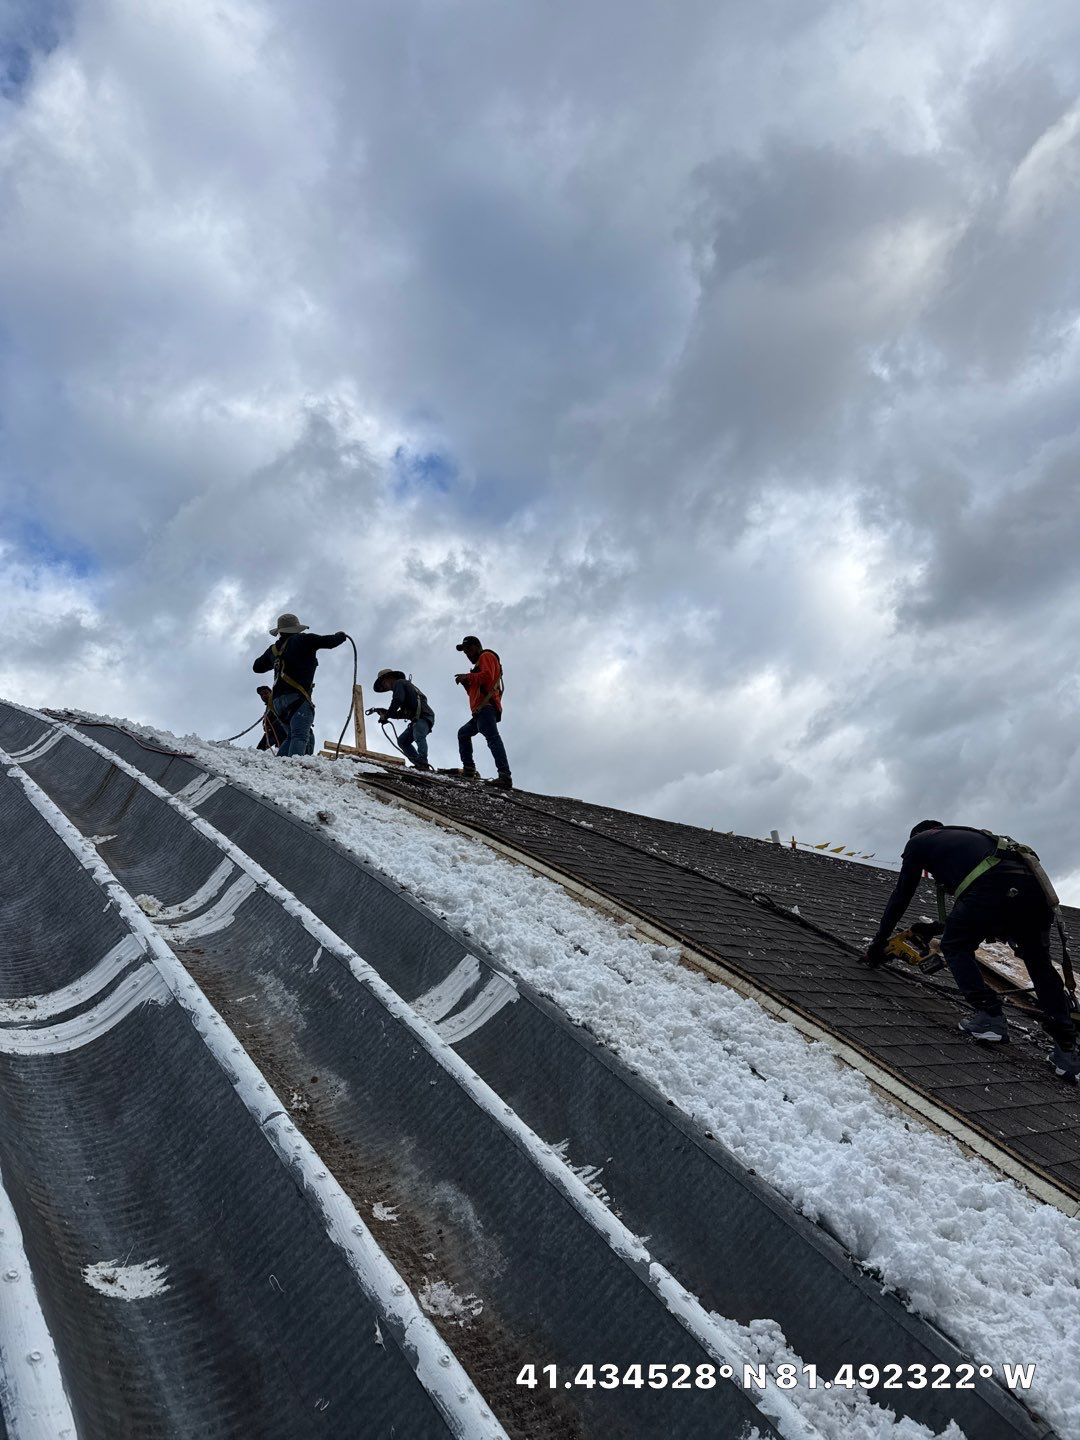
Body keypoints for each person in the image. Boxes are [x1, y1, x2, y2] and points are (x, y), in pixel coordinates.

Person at [863, 820, 1079, 1079]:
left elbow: (901, 896)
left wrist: (878, 943)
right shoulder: (972, 841)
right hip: (1034, 893)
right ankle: (1067, 1051)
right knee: (1039, 965)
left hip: (994, 886)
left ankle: (989, 1016)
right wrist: (935, 928)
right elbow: (981, 916)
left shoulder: (918, 842)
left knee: (954, 945)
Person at [252, 613, 346, 758]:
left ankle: (279, 766)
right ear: (296, 629)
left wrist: (274, 659)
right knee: (299, 736)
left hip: (277, 703)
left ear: (280, 631)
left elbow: (257, 667)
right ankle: (293, 766)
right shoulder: (304, 640)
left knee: (291, 736)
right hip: (297, 698)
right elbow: (330, 642)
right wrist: (341, 636)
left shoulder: (274, 650)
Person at [453, 635, 512, 788]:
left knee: (492, 738)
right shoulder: (479, 665)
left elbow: (487, 677)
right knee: (463, 733)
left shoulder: (486, 656)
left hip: (486, 708)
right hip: (481, 710)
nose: (467, 654)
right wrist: (466, 682)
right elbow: (476, 691)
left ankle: (504, 776)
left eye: (469, 649)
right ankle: (469, 770)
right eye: (465, 652)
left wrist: (468, 676)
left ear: (477, 647)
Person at [372, 668, 435, 770]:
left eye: (384, 683)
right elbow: (401, 714)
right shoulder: (402, 688)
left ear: (389, 678)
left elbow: (397, 700)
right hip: (416, 719)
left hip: (424, 716)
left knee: (418, 734)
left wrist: (387, 715)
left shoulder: (399, 683)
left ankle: (423, 762)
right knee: (402, 741)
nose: (385, 687)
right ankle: (419, 763)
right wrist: (386, 712)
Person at [255, 685, 287, 753]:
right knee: (259, 750)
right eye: (261, 695)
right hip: (271, 732)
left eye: (266, 693)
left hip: (281, 731)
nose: (264, 696)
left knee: (281, 750)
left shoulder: (277, 702)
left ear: (271, 693)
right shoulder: (268, 708)